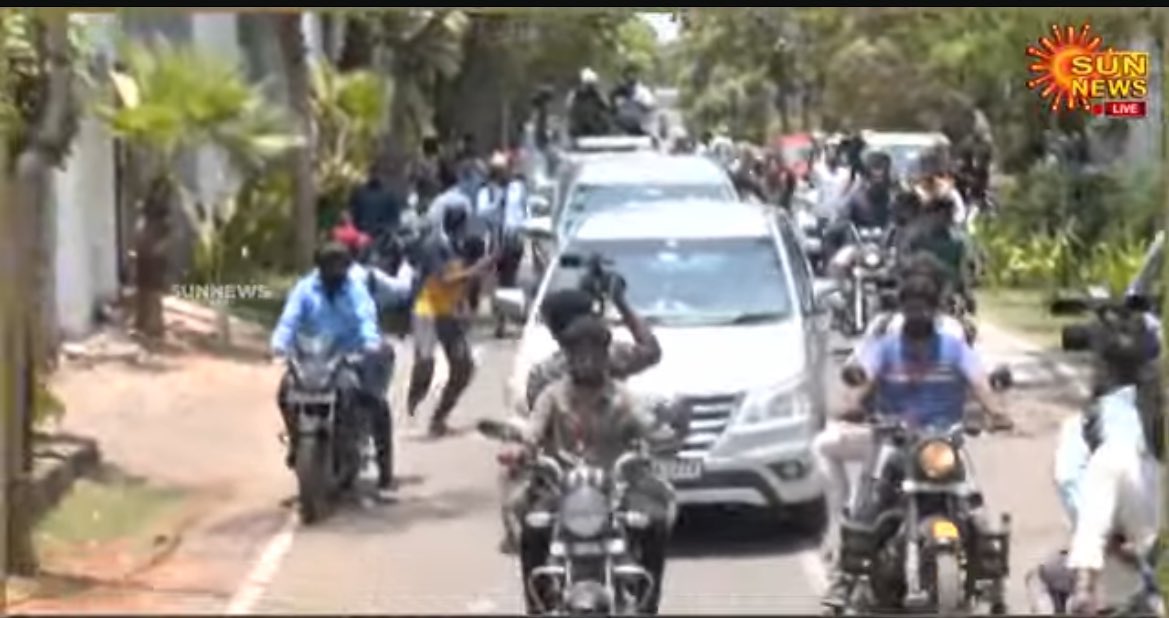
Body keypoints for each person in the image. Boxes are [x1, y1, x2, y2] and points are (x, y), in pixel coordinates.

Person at [814, 273, 1013, 607]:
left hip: (945, 441)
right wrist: (853, 405)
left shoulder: (954, 348)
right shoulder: (885, 348)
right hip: (895, 439)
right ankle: (843, 579)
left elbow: (980, 383)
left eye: (924, 308)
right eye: (911, 307)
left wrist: (996, 412)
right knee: (868, 505)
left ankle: (992, 580)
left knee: (978, 510)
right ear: (902, 308)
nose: (917, 315)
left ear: (935, 311)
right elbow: (862, 382)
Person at [506, 314, 674, 614]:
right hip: (561, 490)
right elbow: (532, 431)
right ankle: (537, 605)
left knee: (655, 523)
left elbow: (648, 426)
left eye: (593, 352)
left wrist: (664, 437)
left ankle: (649, 606)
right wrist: (522, 450)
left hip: (616, 491)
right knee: (531, 528)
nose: (586, 360)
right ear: (567, 356)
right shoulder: (552, 395)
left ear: (604, 355)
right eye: (578, 352)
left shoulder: (622, 397)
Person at [1037, 308, 1163, 614]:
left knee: (1045, 576)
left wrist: (1108, 541)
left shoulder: (1083, 424)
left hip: (1106, 554)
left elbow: (1068, 479)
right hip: (1150, 549)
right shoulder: (1156, 417)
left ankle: (1083, 588)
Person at [270, 242, 396, 498]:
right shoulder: (305, 288)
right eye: (330, 266)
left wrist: (370, 342)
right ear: (320, 267)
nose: (335, 271)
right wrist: (279, 344)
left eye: (340, 266)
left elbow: (365, 317)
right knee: (284, 392)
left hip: (348, 358)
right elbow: (289, 319)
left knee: (374, 401)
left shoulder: (355, 289)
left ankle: (384, 470)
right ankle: (296, 441)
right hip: (311, 358)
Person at [406, 205, 497, 437]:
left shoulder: (466, 245)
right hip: (427, 309)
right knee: (426, 362)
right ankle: (414, 396)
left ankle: (439, 418)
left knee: (463, 367)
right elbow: (445, 279)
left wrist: (466, 304)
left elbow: (468, 283)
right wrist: (477, 269)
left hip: (449, 313)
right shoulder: (436, 246)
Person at [348, 159, 405, 238]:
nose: (375, 175)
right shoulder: (360, 192)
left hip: (381, 237)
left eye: (377, 173)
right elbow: (352, 213)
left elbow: (395, 220)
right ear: (369, 174)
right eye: (373, 173)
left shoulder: (389, 195)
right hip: (361, 236)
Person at [568, 68, 611, 138]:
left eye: (591, 83)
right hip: (580, 125)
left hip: (594, 125)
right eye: (589, 83)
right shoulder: (576, 93)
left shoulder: (596, 93)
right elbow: (570, 107)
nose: (590, 86)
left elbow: (606, 106)